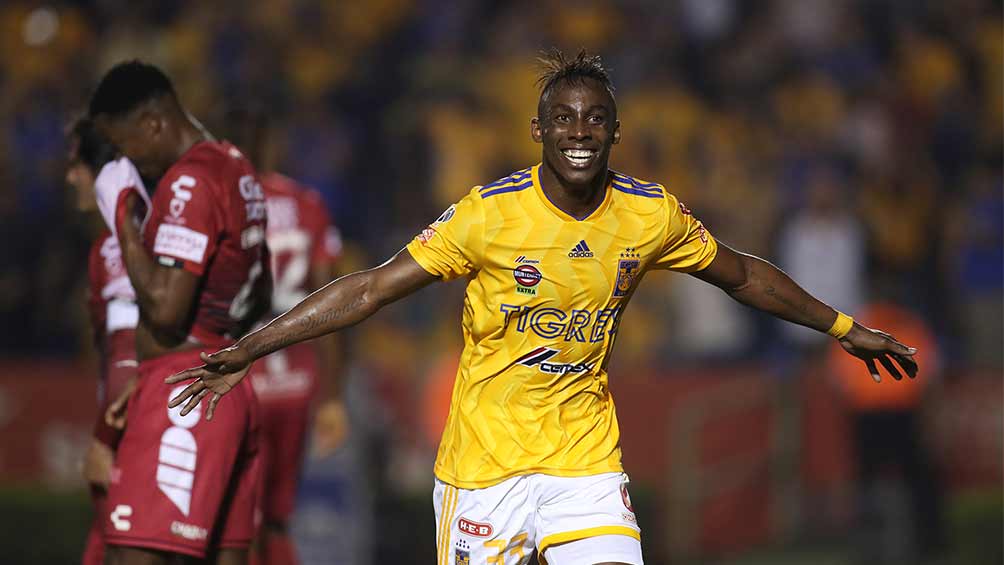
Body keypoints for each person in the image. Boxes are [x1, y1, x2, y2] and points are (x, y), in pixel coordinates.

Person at [168, 50, 918, 565]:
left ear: (616, 131)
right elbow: (368, 287)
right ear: (539, 131)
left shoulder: (649, 215)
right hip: (482, 470)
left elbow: (743, 274)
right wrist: (254, 345)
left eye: (595, 119)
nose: (580, 132)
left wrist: (844, 328)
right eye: (565, 119)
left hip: (583, 463)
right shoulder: (488, 216)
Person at [88, 60, 271, 564]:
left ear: (151, 123)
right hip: (228, 388)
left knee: (135, 555)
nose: (127, 161)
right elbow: (262, 292)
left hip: (184, 395)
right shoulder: (239, 168)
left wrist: (123, 212)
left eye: (124, 146)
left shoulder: (190, 182)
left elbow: (167, 311)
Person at [226, 107, 346, 565]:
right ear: (272, 144)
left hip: (242, 381)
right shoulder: (306, 204)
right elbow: (330, 302)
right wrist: (332, 395)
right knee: (277, 520)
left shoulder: (220, 204)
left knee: (238, 521)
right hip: (297, 382)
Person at [65, 117, 140, 565]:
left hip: (136, 432)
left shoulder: (119, 250)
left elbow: (133, 359)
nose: (69, 175)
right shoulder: (107, 248)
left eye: (77, 164)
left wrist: (104, 437)